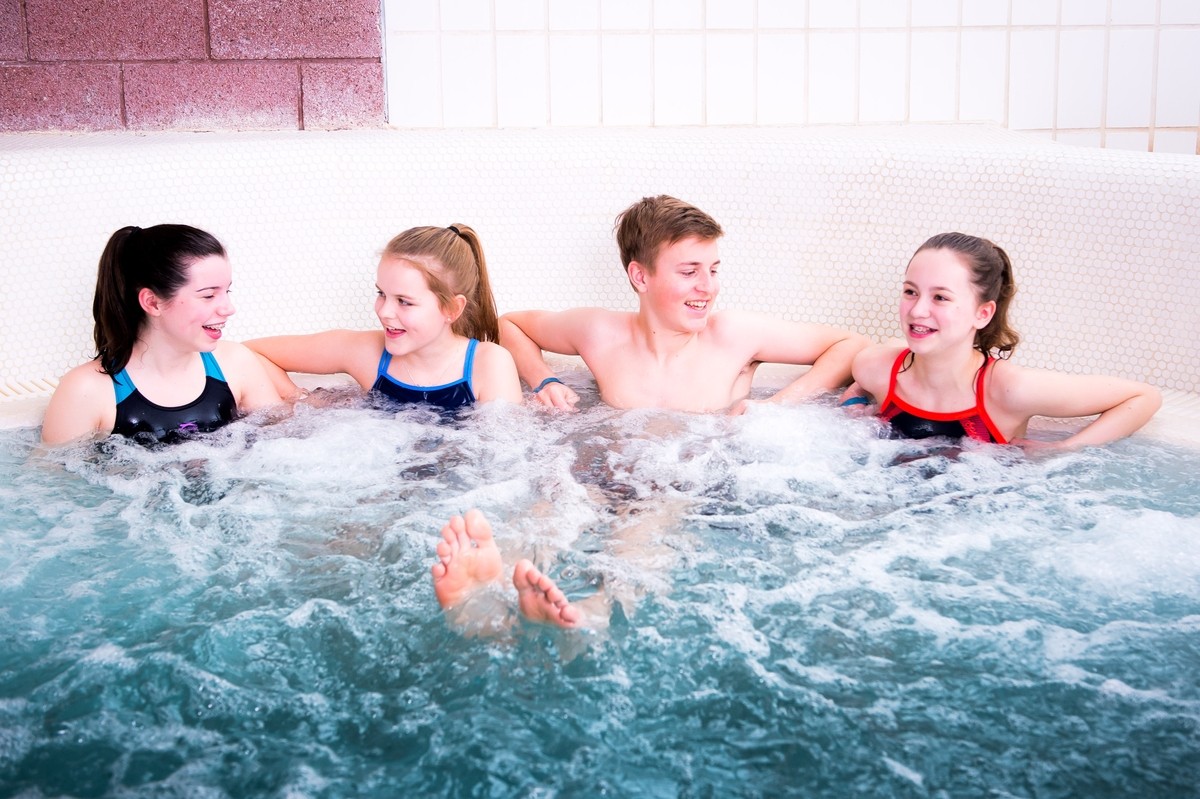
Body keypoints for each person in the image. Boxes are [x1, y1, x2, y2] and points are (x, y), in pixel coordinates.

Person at [499, 195, 870, 414]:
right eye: (690, 271)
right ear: (640, 276)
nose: (709, 287)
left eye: (713, 269)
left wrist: (777, 407)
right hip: (622, 476)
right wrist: (542, 380)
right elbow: (510, 325)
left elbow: (852, 345)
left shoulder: (732, 335)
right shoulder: (600, 333)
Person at [848, 231, 1161, 449]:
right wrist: (853, 400)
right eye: (910, 292)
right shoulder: (875, 369)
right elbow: (881, 358)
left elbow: (1143, 397)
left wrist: (1064, 448)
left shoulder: (1009, 390)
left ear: (982, 314)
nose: (917, 310)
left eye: (940, 297)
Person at [41, 224, 284, 446]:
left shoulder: (235, 363)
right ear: (152, 303)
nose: (229, 308)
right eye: (209, 295)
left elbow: (284, 446)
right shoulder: (87, 389)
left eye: (227, 292)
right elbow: (54, 485)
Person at [246, 225, 522, 410]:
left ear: (451, 308)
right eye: (382, 294)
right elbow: (249, 353)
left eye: (404, 301)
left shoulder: (487, 363)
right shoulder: (365, 352)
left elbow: (506, 462)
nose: (384, 311)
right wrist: (301, 402)